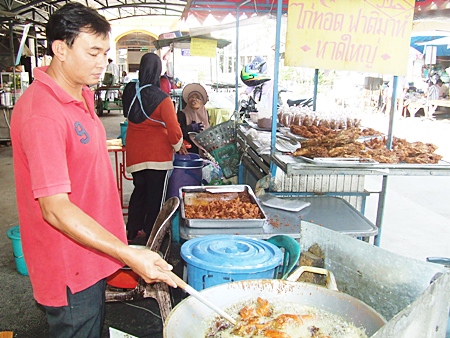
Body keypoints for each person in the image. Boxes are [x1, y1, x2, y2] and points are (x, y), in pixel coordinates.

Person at [9, 4, 177, 337]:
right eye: (93, 52)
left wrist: (118, 248)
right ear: (60, 49)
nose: (103, 62)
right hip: (70, 267)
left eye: (105, 52)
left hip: (93, 255)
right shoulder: (42, 113)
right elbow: (55, 209)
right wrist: (126, 251)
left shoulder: (81, 94)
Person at [122, 53, 187, 242]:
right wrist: (178, 145)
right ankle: (150, 234)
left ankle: (132, 230)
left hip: (135, 151)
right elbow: (174, 129)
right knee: (155, 197)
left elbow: (128, 113)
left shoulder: (129, 90)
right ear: (159, 71)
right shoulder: (162, 98)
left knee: (139, 190)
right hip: (157, 155)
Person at [177, 83, 210, 154]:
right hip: (188, 151)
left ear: (202, 102)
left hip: (204, 150)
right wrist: (189, 128)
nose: (194, 99)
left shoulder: (205, 113)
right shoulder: (182, 114)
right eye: (191, 97)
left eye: (197, 98)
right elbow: (178, 133)